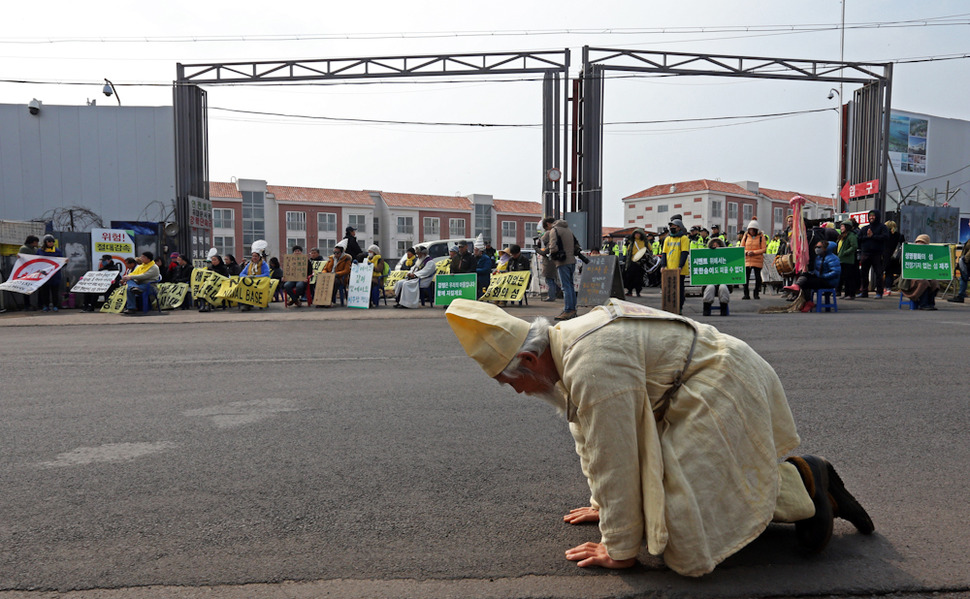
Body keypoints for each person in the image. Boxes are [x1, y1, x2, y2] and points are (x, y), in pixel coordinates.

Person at [444, 298, 874, 576]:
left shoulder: (589, 364)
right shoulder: (565, 346)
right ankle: (802, 483)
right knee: (658, 503)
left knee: (680, 542)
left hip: (722, 381)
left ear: (528, 358)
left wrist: (619, 547)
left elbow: (615, 458)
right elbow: (589, 436)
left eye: (510, 382)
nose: (518, 392)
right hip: (697, 382)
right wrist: (602, 506)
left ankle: (803, 479)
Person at [784, 240, 841, 312]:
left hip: (829, 281)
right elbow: (817, 270)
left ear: (825, 248)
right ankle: (797, 286)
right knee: (805, 275)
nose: (817, 249)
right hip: (820, 278)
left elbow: (836, 272)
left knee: (807, 283)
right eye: (816, 247)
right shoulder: (818, 257)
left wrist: (823, 276)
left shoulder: (833, 258)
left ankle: (808, 302)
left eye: (819, 247)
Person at [547, 218, 578, 321]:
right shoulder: (568, 229)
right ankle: (572, 309)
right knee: (570, 285)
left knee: (565, 286)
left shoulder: (554, 230)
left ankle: (568, 310)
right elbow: (576, 244)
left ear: (549, 224)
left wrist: (552, 254)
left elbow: (553, 247)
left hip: (562, 261)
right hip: (572, 260)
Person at [900, 234, 940, 310]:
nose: (920, 244)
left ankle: (930, 303)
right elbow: (903, 264)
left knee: (934, 282)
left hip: (924, 275)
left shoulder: (929, 254)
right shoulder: (909, 251)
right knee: (923, 282)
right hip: (909, 279)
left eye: (923, 242)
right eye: (918, 242)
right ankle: (923, 304)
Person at [857, 210, 889, 298]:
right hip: (865, 254)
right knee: (864, 274)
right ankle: (864, 292)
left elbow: (885, 237)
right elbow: (859, 238)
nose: (871, 217)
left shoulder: (882, 227)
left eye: (873, 216)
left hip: (877, 254)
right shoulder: (864, 228)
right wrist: (867, 237)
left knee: (879, 274)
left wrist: (873, 236)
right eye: (870, 216)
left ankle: (879, 292)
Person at [661, 219, 690, 314]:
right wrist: (663, 265)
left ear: (679, 227)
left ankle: (679, 307)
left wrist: (680, 266)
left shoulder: (684, 238)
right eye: (671, 226)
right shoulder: (667, 239)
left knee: (679, 289)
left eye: (674, 226)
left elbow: (684, 253)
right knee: (668, 288)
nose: (672, 228)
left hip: (679, 269)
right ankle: (669, 307)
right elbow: (664, 253)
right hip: (669, 269)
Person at [702, 237, 731, 316]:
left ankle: (723, 307)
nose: (715, 247)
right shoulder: (706, 259)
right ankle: (706, 307)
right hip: (710, 283)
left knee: (723, 287)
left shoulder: (727, 258)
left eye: (717, 245)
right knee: (710, 287)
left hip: (723, 283)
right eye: (713, 245)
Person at [37, 235, 66, 312]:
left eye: (52, 241)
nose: (51, 243)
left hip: (55, 275)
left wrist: (65, 262)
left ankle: (55, 306)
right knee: (44, 292)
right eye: (49, 241)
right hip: (44, 275)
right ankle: (46, 306)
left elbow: (62, 262)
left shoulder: (57, 251)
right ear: (45, 242)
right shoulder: (40, 251)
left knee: (55, 292)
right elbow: (35, 261)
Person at [239, 241, 270, 311]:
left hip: (260, 284)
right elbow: (241, 274)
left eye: (256, 256)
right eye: (253, 256)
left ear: (259, 257)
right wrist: (247, 277)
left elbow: (267, 274)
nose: (254, 258)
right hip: (249, 283)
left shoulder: (264, 264)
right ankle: (246, 304)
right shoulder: (249, 264)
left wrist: (255, 277)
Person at [741, 220, 767, 300]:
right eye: (750, 229)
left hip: (757, 260)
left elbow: (764, 249)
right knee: (745, 278)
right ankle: (746, 294)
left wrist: (754, 252)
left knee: (758, 277)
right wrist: (747, 252)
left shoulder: (761, 237)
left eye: (753, 229)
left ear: (756, 230)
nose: (751, 231)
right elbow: (741, 248)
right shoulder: (745, 236)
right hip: (747, 260)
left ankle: (756, 293)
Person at [537, 218, 560, 303]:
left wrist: (537, 248)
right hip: (555, 259)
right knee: (553, 279)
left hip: (549, 260)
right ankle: (555, 294)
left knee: (549, 279)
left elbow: (545, 251)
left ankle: (551, 296)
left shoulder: (548, 233)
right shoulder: (558, 232)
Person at [836, 221, 859, 300]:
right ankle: (846, 294)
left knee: (850, 278)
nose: (841, 228)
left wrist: (845, 252)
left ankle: (851, 294)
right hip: (841, 259)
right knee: (845, 278)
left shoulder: (851, 236)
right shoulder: (842, 236)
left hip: (848, 260)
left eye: (842, 226)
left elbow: (854, 246)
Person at [17, 235, 40, 310]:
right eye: (36, 242)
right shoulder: (24, 249)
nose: (37, 244)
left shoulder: (34, 249)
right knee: (26, 289)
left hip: (34, 271)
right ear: (33, 242)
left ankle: (36, 304)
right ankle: (27, 305)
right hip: (26, 271)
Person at [624, 228, 649, 297]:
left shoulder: (645, 243)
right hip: (633, 262)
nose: (637, 235)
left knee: (639, 278)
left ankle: (638, 292)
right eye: (636, 233)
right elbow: (629, 254)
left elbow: (650, 250)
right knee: (630, 277)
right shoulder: (631, 244)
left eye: (638, 233)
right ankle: (629, 291)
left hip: (641, 263)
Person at [947, 238, 970, 303]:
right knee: (962, 278)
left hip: (967, 263)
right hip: (967, 262)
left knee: (963, 278)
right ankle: (961, 295)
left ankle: (961, 296)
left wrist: (964, 260)